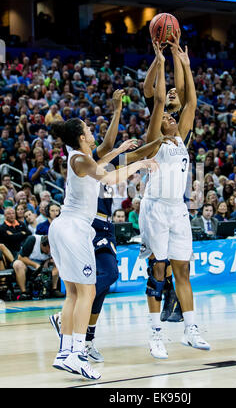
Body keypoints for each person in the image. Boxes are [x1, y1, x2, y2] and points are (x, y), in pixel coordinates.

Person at [48, 112, 158, 379]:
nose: (91, 130)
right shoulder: (81, 159)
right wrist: (140, 164)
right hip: (75, 229)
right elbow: (109, 179)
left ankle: (65, 353)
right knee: (86, 293)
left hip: (63, 228)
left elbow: (98, 165)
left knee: (73, 294)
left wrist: (117, 152)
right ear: (82, 137)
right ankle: (76, 353)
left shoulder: (78, 158)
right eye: (88, 128)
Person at [139, 41, 210, 360]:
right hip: (154, 210)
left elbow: (191, 101)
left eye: (171, 115)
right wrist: (161, 61)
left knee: (183, 271)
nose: (169, 117)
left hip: (178, 210)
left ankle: (191, 329)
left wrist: (186, 64)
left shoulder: (181, 135)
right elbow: (157, 101)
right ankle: (155, 334)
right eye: (166, 115)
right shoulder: (154, 139)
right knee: (159, 271)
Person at [12, 234, 63, 300]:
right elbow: (21, 257)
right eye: (49, 249)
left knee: (57, 264)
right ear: (43, 245)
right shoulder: (32, 240)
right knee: (17, 264)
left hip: (42, 267)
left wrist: (49, 261)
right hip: (26, 265)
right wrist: (35, 265)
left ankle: (54, 289)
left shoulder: (52, 248)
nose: (50, 251)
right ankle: (23, 292)